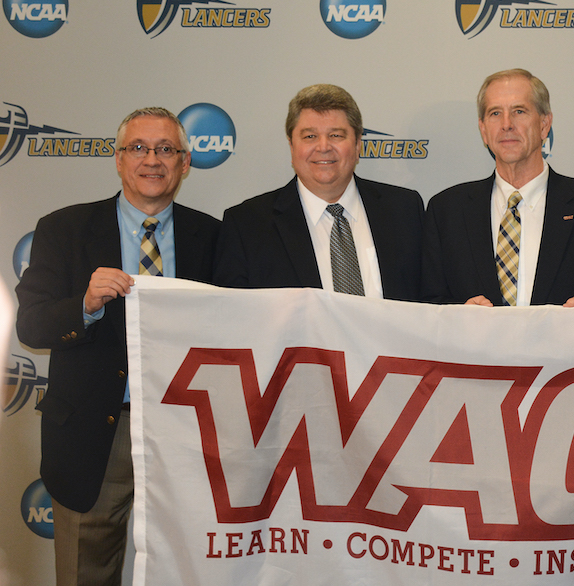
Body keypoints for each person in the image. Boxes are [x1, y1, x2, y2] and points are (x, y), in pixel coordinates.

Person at [15, 107, 220, 585]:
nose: (153, 160)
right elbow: (31, 325)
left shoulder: (213, 235)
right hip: (94, 441)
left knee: (191, 572)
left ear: (186, 163)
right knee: (85, 575)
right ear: (118, 158)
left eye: (166, 149)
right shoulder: (63, 229)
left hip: (187, 437)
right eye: (139, 148)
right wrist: (83, 304)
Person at [422, 68, 574, 307]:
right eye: (495, 113)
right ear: (483, 130)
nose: (506, 124)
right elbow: (429, 303)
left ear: (544, 124)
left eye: (519, 111)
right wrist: (458, 316)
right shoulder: (446, 211)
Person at [214, 84, 424, 301]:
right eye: (310, 137)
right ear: (291, 145)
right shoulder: (246, 224)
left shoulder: (405, 209)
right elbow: (233, 318)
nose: (323, 147)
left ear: (358, 144)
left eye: (336, 135)